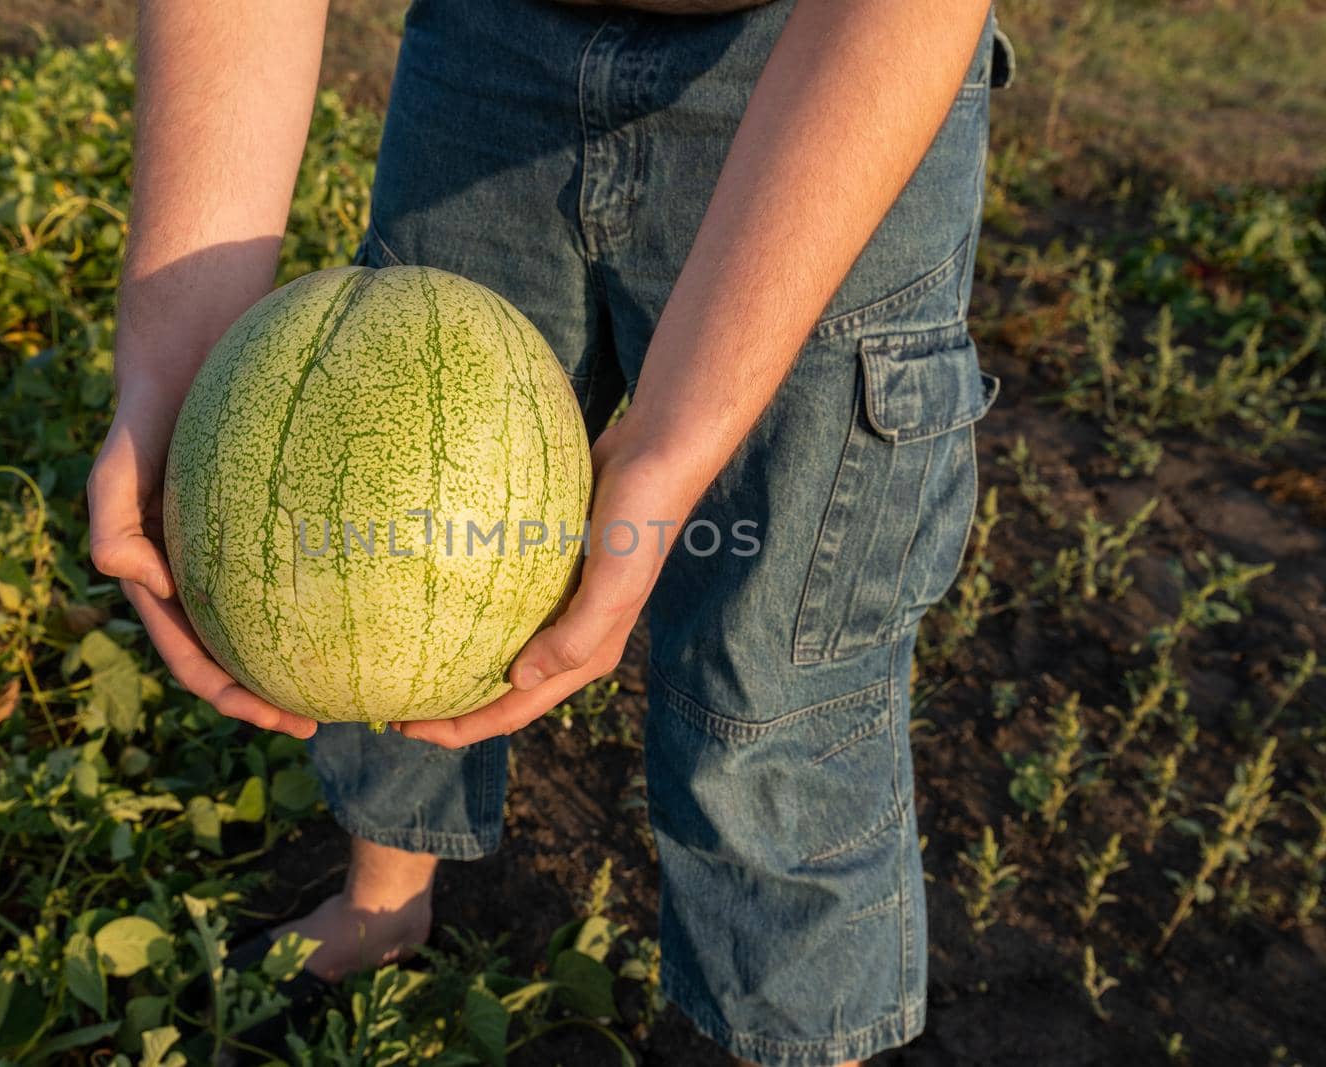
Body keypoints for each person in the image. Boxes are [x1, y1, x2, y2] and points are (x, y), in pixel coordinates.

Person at [88, 1, 1007, 1063]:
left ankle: (804, 1043)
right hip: (490, 37)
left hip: (831, 70)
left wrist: (675, 435)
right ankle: (384, 903)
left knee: (778, 660)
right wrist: (170, 362)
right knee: (366, 542)